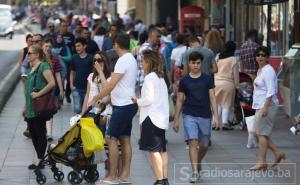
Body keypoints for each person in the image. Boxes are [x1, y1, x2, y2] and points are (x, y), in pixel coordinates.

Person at [89, 35, 138, 184]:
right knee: (124, 139)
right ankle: (125, 175)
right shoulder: (131, 59)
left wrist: (95, 97)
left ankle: (112, 177)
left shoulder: (122, 61)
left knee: (111, 138)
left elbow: (111, 86)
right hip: (128, 104)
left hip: (122, 106)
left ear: (116, 45)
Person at [173, 51, 220, 183]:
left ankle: (198, 162)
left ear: (201, 63)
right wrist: (176, 119)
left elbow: (212, 97)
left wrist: (216, 117)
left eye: (198, 63)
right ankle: (194, 172)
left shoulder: (207, 79)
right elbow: (180, 100)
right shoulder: (184, 80)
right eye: (193, 63)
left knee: (204, 145)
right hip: (189, 114)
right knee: (193, 141)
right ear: (189, 63)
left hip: (205, 115)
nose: (195, 65)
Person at [131, 50, 170, 185]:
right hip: (161, 118)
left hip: (151, 118)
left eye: (142, 61)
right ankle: (164, 179)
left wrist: (137, 100)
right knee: (162, 150)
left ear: (148, 62)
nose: (141, 63)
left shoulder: (149, 78)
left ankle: (159, 180)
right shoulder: (160, 77)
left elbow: (149, 99)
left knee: (154, 151)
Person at [249, 46, 285, 170]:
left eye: (263, 55)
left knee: (261, 134)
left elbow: (271, 90)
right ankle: (277, 152)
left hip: (267, 106)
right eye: (258, 55)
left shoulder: (268, 70)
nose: (260, 57)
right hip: (260, 105)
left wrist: (265, 107)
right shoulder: (261, 70)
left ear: (267, 57)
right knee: (255, 132)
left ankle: (262, 161)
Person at [23, 45, 55, 170]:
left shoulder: (43, 66)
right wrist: (25, 106)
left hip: (39, 108)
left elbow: (52, 83)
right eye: (27, 53)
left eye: (30, 53)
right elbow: (28, 89)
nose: (28, 55)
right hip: (31, 108)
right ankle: (40, 158)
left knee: (40, 134)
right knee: (34, 134)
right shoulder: (32, 68)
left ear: (37, 54)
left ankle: (39, 160)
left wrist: (38, 94)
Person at [214, 41, 239, 130]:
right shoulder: (233, 59)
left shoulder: (218, 56)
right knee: (226, 104)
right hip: (228, 83)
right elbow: (236, 74)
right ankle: (225, 123)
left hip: (216, 83)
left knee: (217, 103)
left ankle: (215, 123)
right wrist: (237, 86)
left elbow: (213, 70)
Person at [42, 40, 64, 142]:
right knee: (40, 111)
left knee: (49, 111)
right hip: (39, 90)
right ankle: (42, 131)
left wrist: (61, 90)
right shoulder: (38, 59)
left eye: (50, 46)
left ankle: (49, 133)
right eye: (46, 46)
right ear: (42, 47)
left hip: (51, 90)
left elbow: (58, 75)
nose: (48, 48)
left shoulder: (55, 60)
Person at [70, 38, 94, 114]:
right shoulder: (74, 58)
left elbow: (94, 72)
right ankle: (76, 123)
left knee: (87, 109)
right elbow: (72, 72)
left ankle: (84, 124)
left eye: (79, 46)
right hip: (77, 87)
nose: (77, 48)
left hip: (88, 88)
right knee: (77, 109)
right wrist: (71, 85)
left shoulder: (91, 58)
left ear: (85, 46)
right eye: (76, 46)